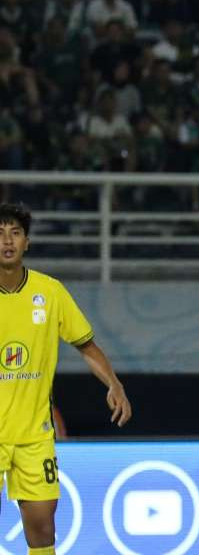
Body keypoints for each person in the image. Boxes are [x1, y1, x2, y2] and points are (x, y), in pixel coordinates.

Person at [0, 203, 133, 555]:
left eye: (14, 233)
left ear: (27, 242)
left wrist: (114, 385)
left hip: (33, 436)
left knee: (43, 530)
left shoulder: (51, 292)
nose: (7, 241)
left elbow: (86, 345)